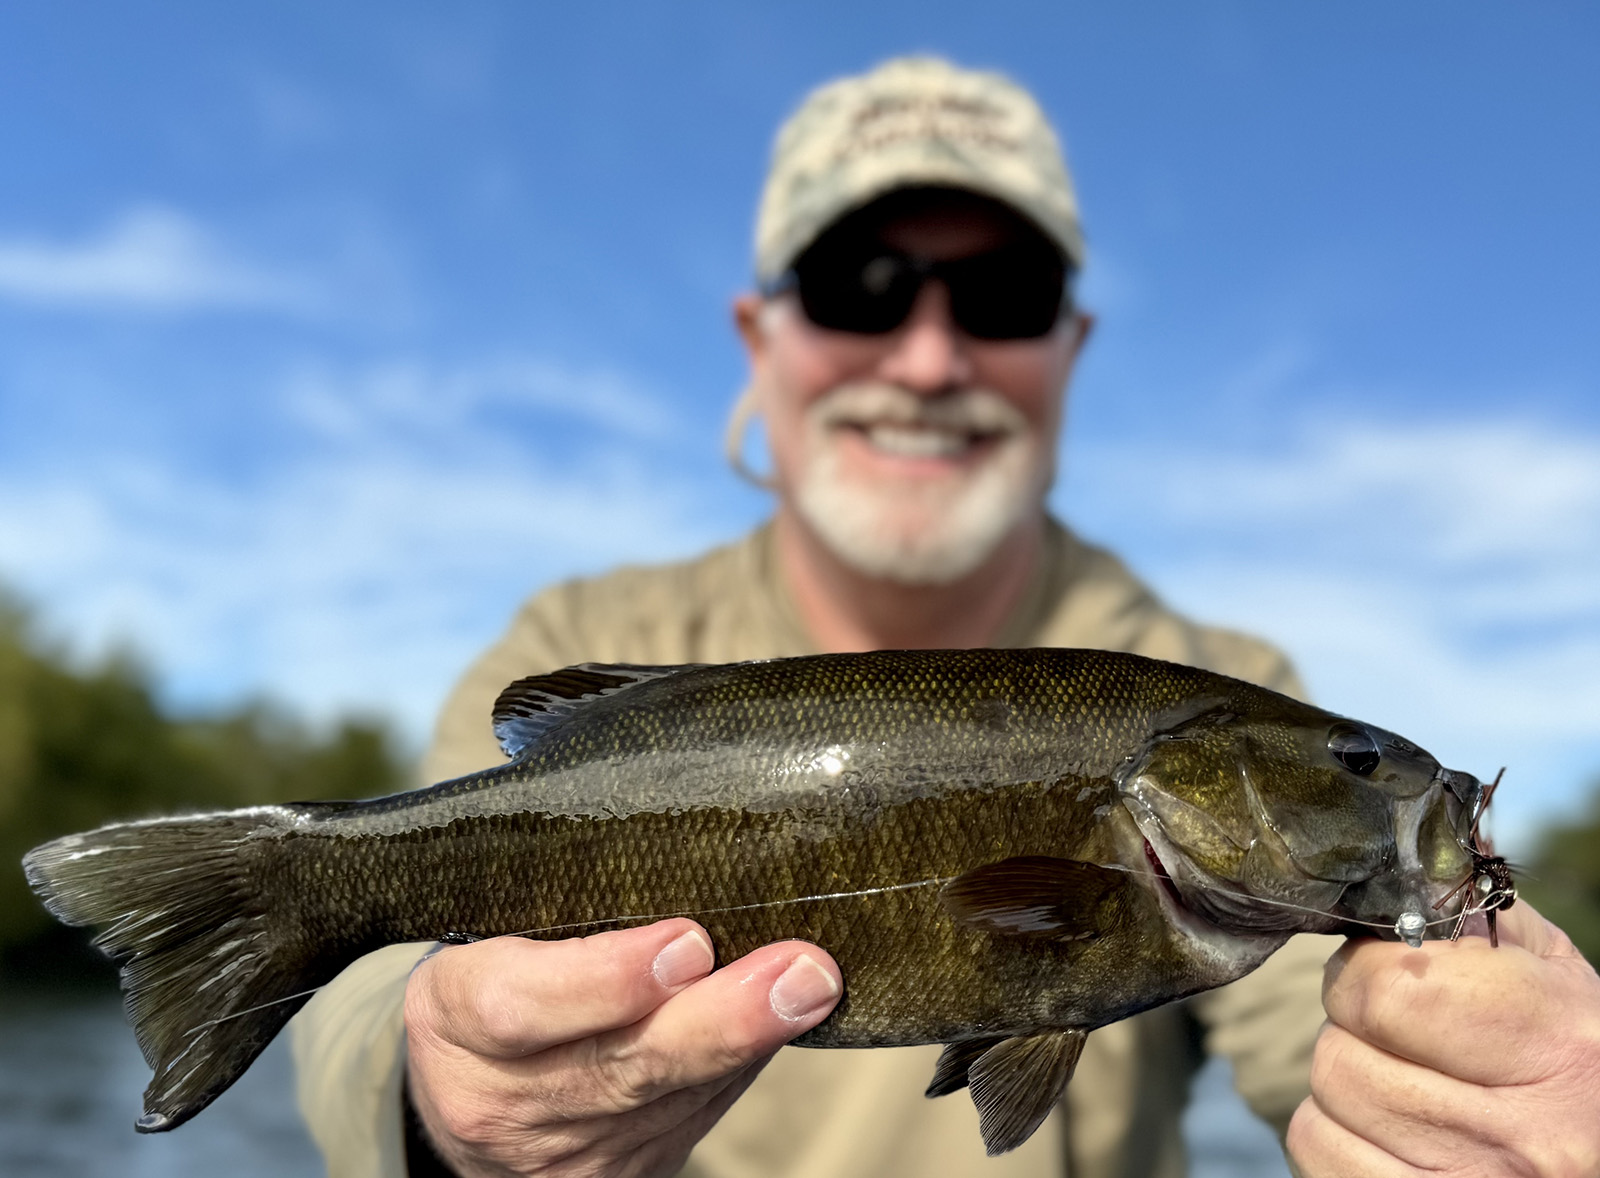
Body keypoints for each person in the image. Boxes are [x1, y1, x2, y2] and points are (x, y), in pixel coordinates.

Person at [290, 56, 1600, 1178]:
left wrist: (1496, 1096)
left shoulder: (1224, 676)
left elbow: (1322, 1051)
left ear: (1069, 352)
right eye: (864, 284)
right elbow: (367, 993)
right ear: (761, 339)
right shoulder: (573, 628)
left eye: (1002, 296)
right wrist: (431, 1102)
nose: (928, 357)